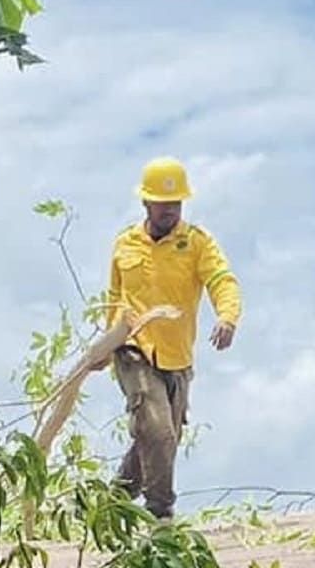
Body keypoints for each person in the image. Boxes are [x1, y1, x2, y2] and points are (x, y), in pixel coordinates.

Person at [93, 157, 242, 519]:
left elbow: (222, 280)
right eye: (163, 204)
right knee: (157, 431)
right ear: (146, 202)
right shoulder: (125, 243)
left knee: (159, 438)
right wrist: (103, 345)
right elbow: (114, 298)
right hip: (132, 350)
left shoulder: (196, 243)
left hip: (177, 358)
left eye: (176, 204)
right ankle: (161, 514)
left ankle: (112, 507)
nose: (170, 211)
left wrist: (228, 317)